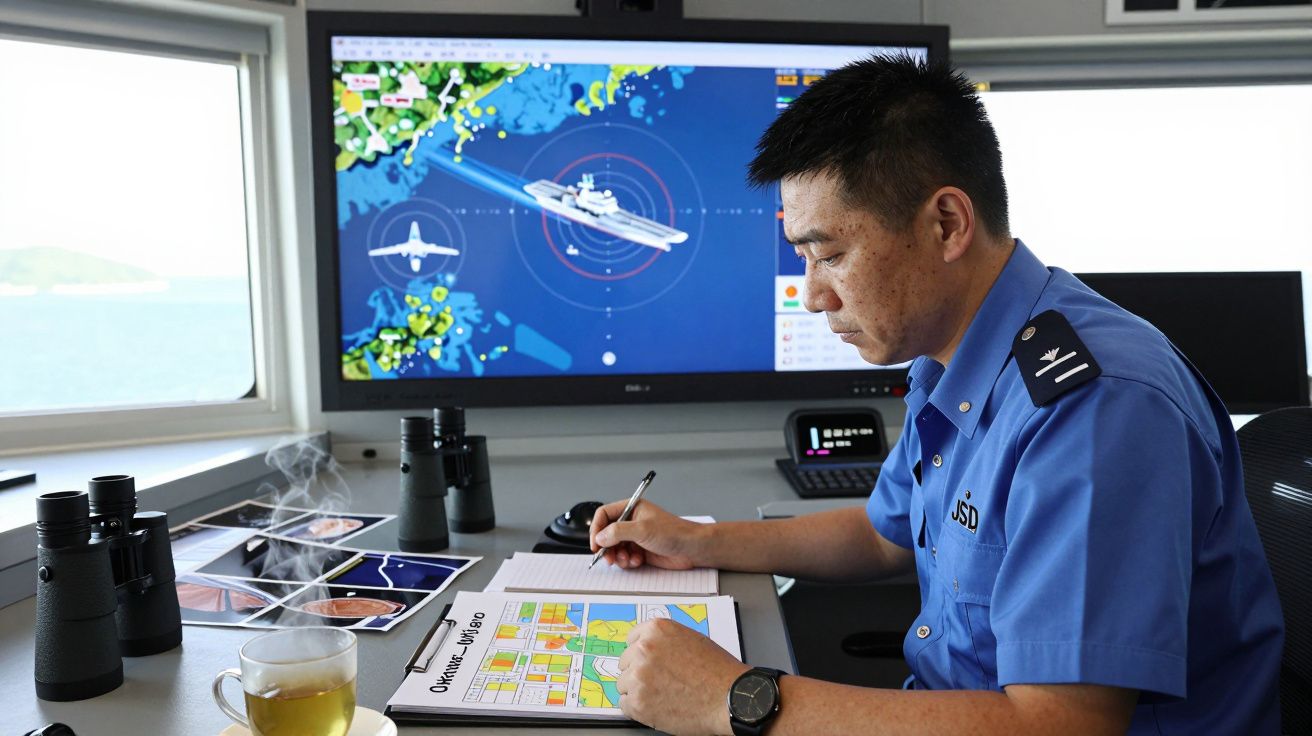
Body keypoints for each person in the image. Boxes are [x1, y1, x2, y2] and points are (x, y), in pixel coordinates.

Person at [588, 55, 1284, 736]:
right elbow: (882, 533)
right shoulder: (953, 356)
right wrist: (695, 540)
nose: (811, 296)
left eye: (830, 255)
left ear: (947, 223)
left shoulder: (1094, 410)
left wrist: (735, 699)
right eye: (804, 259)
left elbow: (1062, 724)